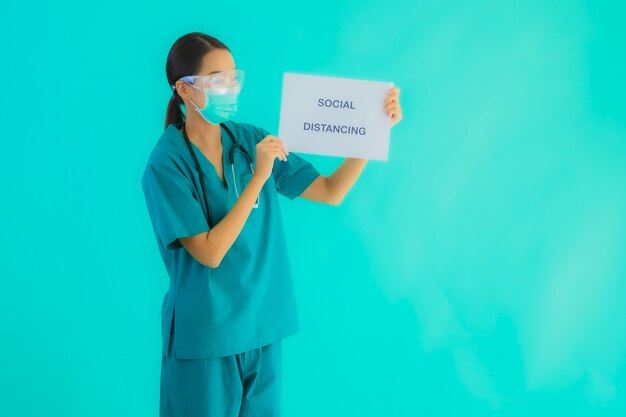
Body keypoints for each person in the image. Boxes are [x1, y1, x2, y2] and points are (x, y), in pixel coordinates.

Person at [141, 31, 403, 417]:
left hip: (262, 328)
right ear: (183, 88)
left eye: (233, 77)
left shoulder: (250, 140)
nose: (228, 88)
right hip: (207, 338)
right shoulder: (168, 163)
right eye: (216, 79)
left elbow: (330, 190)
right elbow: (210, 253)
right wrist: (258, 180)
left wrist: (374, 130)